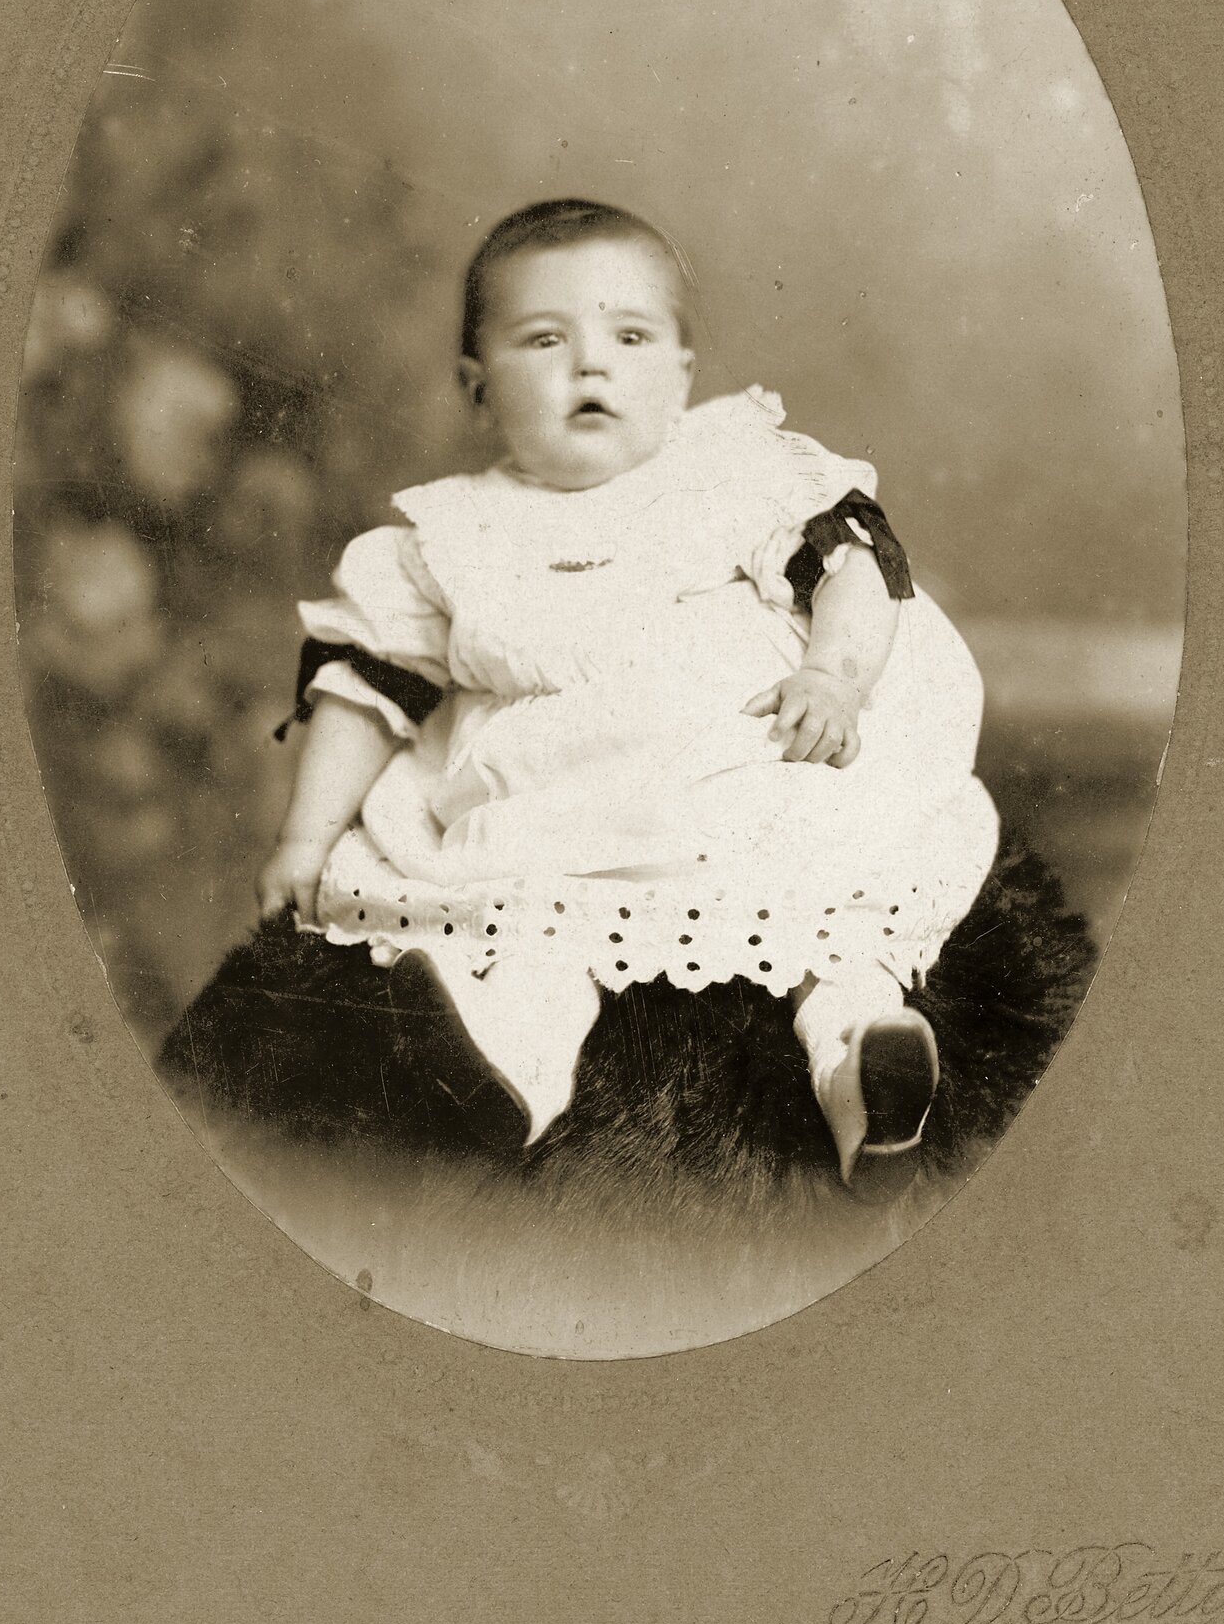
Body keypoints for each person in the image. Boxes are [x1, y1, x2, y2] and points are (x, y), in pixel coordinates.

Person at [258, 198, 999, 1184]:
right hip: (550, 798)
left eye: (629, 334)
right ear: (478, 387)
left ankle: (861, 1057)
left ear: (682, 373)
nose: (591, 363)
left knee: (833, 892)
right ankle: (504, 1072)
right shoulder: (449, 537)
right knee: (521, 929)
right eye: (544, 338)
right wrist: (304, 840)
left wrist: (833, 673)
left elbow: (855, 567)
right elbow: (364, 689)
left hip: (746, 758)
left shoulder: (736, 468)